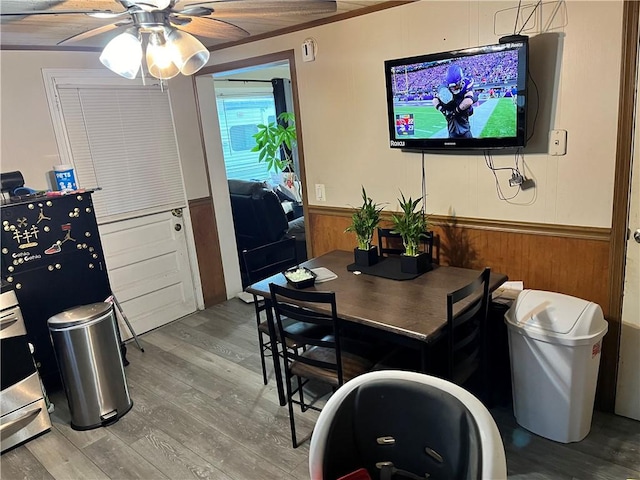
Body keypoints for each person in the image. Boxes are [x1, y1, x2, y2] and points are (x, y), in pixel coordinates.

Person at [432, 65, 477, 138]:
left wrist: (456, 111)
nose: (454, 88)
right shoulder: (444, 88)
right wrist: (443, 110)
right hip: (453, 123)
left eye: (456, 85)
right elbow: (434, 100)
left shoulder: (466, 82)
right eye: (452, 86)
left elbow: (468, 101)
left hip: (463, 118)